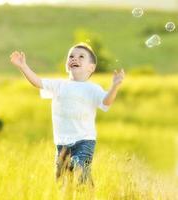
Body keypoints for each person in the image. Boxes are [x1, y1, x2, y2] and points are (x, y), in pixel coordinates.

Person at [10, 43, 125, 186]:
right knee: (62, 181)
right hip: (62, 143)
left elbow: (106, 102)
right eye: (71, 56)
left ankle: (87, 193)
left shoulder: (92, 88)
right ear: (66, 65)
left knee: (80, 170)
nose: (74, 58)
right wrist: (23, 66)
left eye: (81, 56)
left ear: (91, 68)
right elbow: (37, 82)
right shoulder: (59, 85)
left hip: (84, 141)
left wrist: (114, 86)